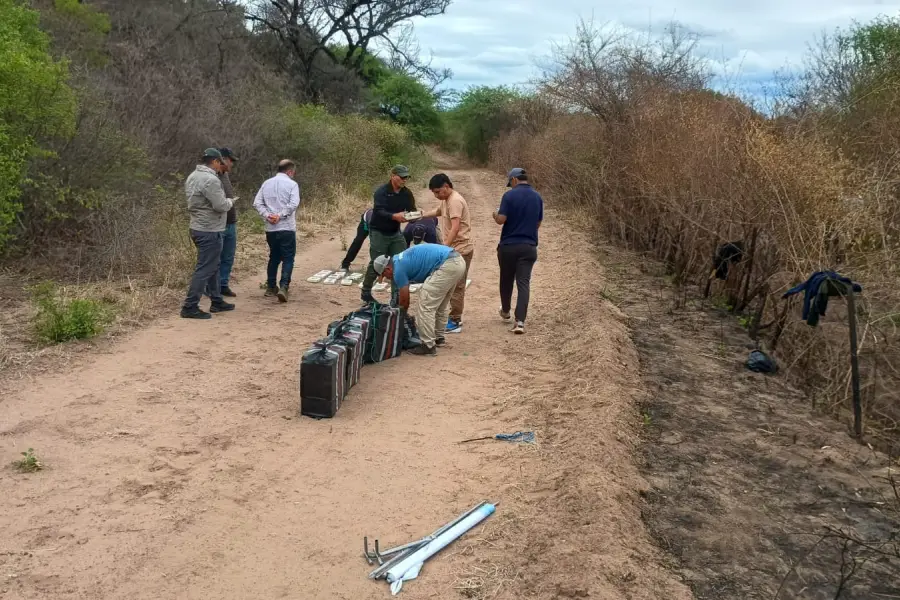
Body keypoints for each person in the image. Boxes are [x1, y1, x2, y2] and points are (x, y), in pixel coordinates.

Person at [373, 243, 466, 356]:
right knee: (441, 304)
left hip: (447, 265)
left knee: (425, 305)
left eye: (384, 275)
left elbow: (404, 300)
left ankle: (428, 345)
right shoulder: (399, 259)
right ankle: (438, 338)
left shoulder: (398, 270)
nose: (387, 278)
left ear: (387, 268)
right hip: (457, 261)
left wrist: (401, 316)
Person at [181, 148, 235, 319]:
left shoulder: (193, 176)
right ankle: (190, 306)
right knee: (205, 268)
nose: (221, 166)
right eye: (220, 162)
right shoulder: (210, 179)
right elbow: (220, 205)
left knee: (213, 266)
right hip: (209, 229)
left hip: (198, 227)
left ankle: (216, 301)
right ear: (215, 161)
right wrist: (230, 202)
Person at [420, 173, 473, 334]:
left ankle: (455, 320)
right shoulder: (446, 200)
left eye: (438, 192)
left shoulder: (455, 201)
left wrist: (444, 249)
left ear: (446, 186)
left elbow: (455, 228)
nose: (436, 195)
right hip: (453, 249)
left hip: (461, 249)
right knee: (448, 284)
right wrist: (421, 215)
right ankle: (448, 316)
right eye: (434, 193)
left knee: (457, 286)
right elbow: (439, 211)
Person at [492, 167, 543, 335]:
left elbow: (501, 220)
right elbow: (538, 223)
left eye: (510, 183)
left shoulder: (509, 196)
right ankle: (520, 322)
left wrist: (495, 214)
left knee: (506, 280)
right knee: (523, 283)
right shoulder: (537, 197)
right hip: (529, 247)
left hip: (508, 246)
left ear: (514, 180)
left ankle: (506, 311)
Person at [362, 165, 416, 304]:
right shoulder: (381, 192)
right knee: (377, 262)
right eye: (401, 177)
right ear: (393, 176)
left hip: (395, 232)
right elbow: (378, 211)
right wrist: (394, 216)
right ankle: (366, 291)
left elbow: (412, 210)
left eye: (406, 177)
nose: (404, 180)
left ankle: (395, 296)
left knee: (399, 262)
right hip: (379, 231)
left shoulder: (407, 193)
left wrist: (414, 216)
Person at [253, 159, 301, 302]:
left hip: (271, 228)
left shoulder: (266, 183)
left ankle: (270, 287)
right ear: (290, 171)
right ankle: (284, 287)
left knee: (274, 256)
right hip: (286, 227)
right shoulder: (292, 184)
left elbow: (257, 203)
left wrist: (268, 215)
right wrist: (280, 215)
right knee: (288, 257)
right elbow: (293, 204)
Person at [217, 147, 240, 297]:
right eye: (230, 160)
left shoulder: (225, 175)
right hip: (218, 223)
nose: (232, 164)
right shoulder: (212, 176)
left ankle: (223, 284)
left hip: (230, 221)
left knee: (228, 257)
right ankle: (212, 287)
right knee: (216, 258)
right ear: (223, 159)